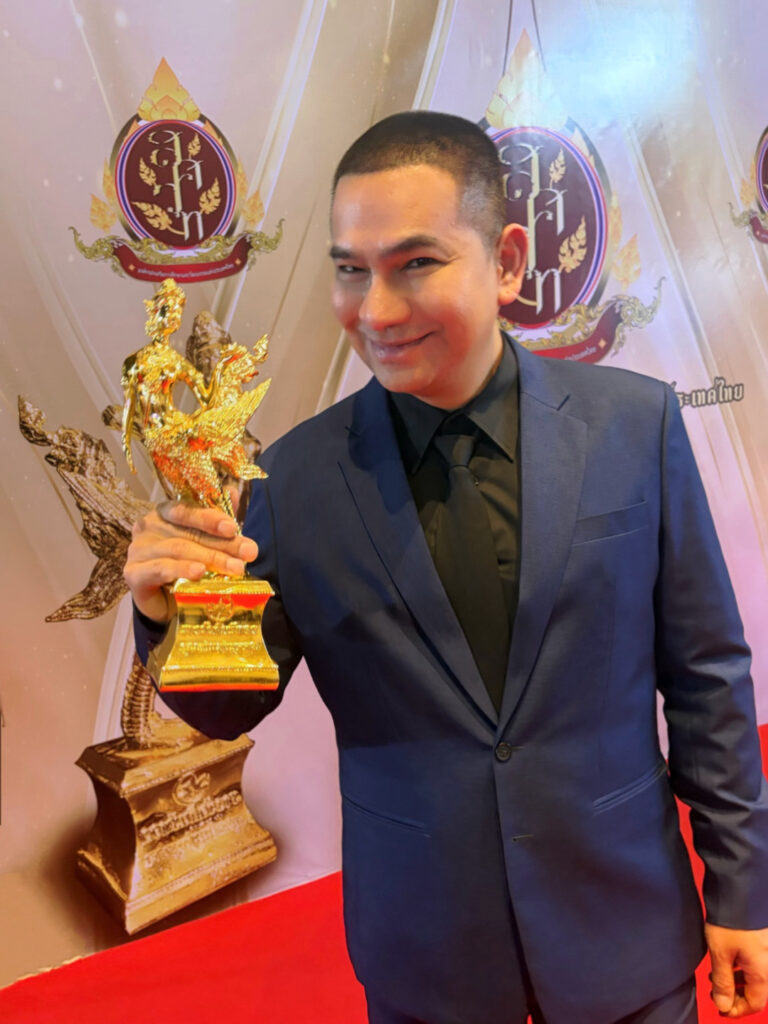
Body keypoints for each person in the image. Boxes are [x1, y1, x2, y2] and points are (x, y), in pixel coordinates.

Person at [125, 111, 768, 1024]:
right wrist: (167, 617)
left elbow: (706, 675)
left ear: (506, 262)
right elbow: (231, 706)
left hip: (625, 925)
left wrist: (745, 890)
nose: (376, 311)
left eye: (416, 263)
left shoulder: (635, 425)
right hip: (425, 949)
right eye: (351, 270)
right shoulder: (295, 479)